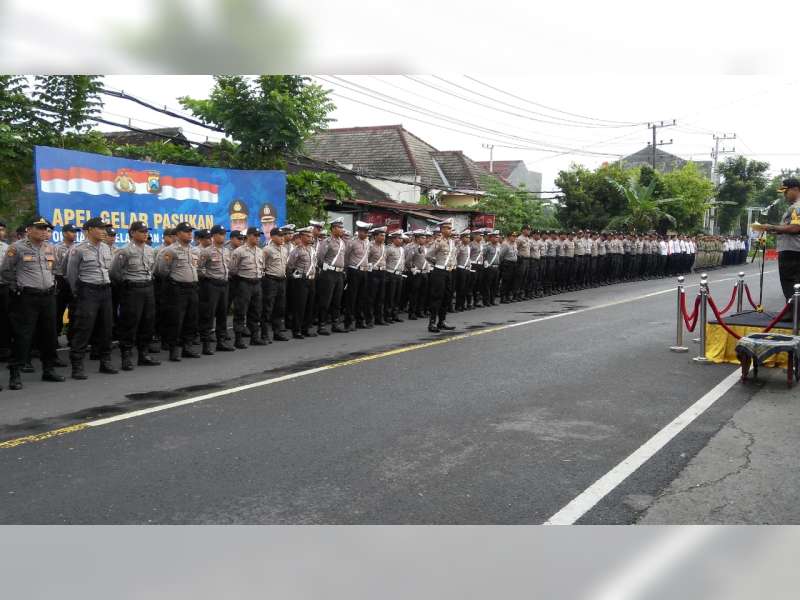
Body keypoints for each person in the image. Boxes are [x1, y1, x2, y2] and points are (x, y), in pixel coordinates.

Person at [0, 216, 66, 390]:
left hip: (48, 297)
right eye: (41, 228)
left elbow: (54, 270)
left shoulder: (50, 248)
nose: (45, 231)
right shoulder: (17, 248)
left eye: (46, 228)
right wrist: (17, 288)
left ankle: (48, 369)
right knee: (23, 335)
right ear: (29, 230)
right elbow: (6, 271)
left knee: (49, 334)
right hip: (26, 297)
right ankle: (15, 373)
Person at [66, 217, 117, 379]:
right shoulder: (78, 249)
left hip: (105, 291)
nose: (104, 231)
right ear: (88, 230)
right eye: (100, 228)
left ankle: (105, 361)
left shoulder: (106, 248)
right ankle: (77, 365)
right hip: (88, 291)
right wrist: (78, 292)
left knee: (106, 327)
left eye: (105, 228)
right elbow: (71, 275)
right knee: (84, 328)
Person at [110, 221, 160, 371]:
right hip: (132, 290)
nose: (145, 234)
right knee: (130, 323)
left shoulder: (151, 250)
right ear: (132, 233)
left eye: (146, 231)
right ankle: (126, 357)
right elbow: (114, 272)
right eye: (142, 231)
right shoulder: (124, 251)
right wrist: (126, 284)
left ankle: (143, 355)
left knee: (148, 322)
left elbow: (153, 269)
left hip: (148, 288)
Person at [156, 222, 201, 362]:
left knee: (191, 319)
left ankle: (187, 347)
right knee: (176, 320)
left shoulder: (193, 250)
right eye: (186, 231)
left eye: (190, 231)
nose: (190, 233)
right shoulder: (170, 250)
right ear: (178, 233)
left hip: (192, 288)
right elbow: (161, 270)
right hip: (177, 289)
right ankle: (174, 350)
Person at [197, 224, 234, 355]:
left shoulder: (227, 251)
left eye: (224, 234)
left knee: (223, 314)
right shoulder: (207, 251)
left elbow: (229, 267)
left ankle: (221, 342)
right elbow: (199, 268)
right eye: (220, 234)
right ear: (213, 236)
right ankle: (206, 344)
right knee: (209, 314)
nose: (223, 236)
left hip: (224, 284)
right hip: (211, 285)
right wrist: (209, 277)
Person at [761, 178, 800, 301]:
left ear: (795, 189)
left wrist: (772, 227)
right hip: (794, 249)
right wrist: (776, 229)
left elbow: (795, 228)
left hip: (792, 250)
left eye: (786, 191)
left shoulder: (797, 207)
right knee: (795, 283)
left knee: (790, 283)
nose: (784, 195)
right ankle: (794, 312)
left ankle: (792, 312)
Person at [229, 227, 267, 348]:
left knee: (256, 311)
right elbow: (233, 269)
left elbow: (262, 267)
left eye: (259, 235)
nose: (257, 238)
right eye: (255, 235)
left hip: (257, 283)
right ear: (249, 236)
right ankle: (238, 339)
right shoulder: (239, 251)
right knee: (240, 311)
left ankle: (254, 337)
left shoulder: (260, 251)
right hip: (244, 283)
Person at [315, 217, 347, 335]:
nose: (342, 230)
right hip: (328, 273)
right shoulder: (327, 242)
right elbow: (319, 259)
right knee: (326, 300)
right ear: (333, 229)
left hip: (339, 273)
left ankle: (335, 324)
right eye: (339, 227)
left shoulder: (342, 242)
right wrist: (326, 268)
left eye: (342, 227)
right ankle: (322, 325)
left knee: (337, 300)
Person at [286, 226, 318, 338]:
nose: (310, 238)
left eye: (311, 236)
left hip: (312, 279)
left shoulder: (312, 249)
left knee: (310, 305)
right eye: (308, 236)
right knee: (300, 306)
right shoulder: (297, 250)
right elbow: (290, 265)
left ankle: (306, 328)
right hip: (301, 280)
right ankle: (297, 330)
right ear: (301, 237)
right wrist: (295, 275)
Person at [262, 227, 291, 342]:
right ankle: (265, 334)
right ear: (272, 237)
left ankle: (277, 332)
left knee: (280, 307)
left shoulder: (284, 249)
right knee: (268, 307)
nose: (282, 238)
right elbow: (262, 265)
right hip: (270, 280)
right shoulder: (267, 250)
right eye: (279, 236)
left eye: (283, 236)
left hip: (281, 280)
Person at [343, 221, 371, 331]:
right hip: (354, 271)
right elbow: (346, 256)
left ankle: (360, 320)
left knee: (362, 297)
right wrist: (347, 270)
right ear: (359, 231)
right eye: (363, 232)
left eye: (366, 232)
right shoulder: (352, 242)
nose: (365, 234)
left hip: (364, 271)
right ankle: (348, 322)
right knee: (352, 297)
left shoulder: (368, 242)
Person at [53, 223, 78, 343]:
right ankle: (55, 338)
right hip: (61, 281)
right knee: (58, 311)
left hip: (73, 281)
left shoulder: (77, 247)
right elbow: (53, 267)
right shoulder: (57, 248)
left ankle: (72, 337)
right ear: (64, 233)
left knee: (74, 311)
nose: (74, 234)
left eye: (75, 232)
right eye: (71, 231)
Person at [384, 230, 406, 323]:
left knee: (397, 296)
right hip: (391, 274)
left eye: (401, 238)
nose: (401, 240)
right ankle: (387, 315)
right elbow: (384, 260)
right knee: (390, 296)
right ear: (394, 239)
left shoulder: (401, 249)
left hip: (399, 274)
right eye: (399, 238)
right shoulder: (389, 249)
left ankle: (395, 314)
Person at [0, 220, 10, 363]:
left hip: (4, 287)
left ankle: (4, 349)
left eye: (2, 229)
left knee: (5, 320)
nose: (0, 232)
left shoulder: (8, 248)